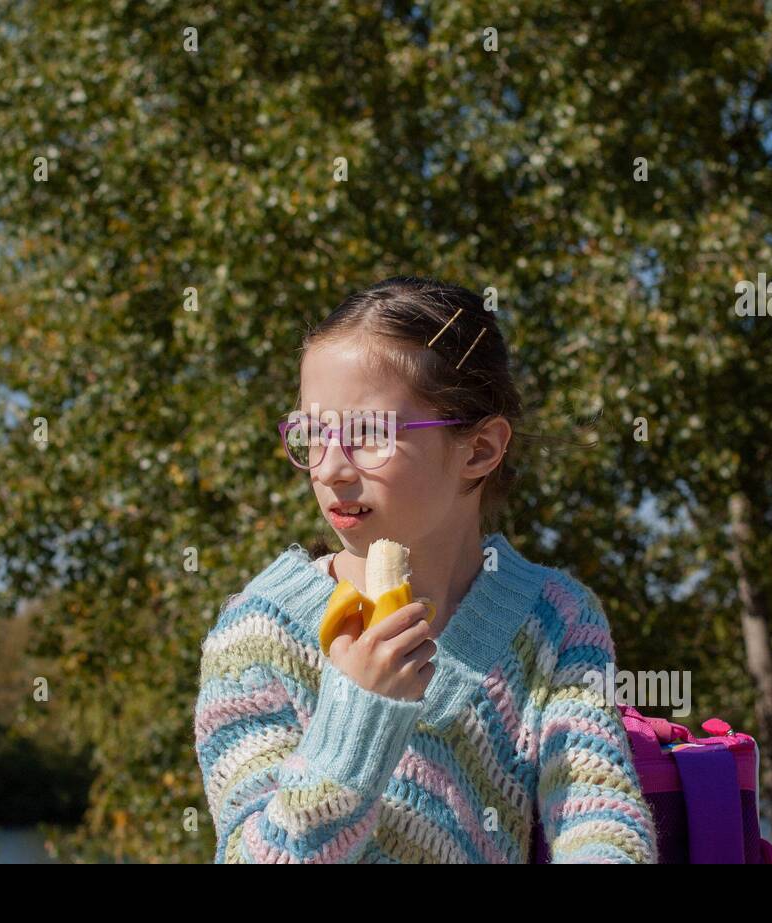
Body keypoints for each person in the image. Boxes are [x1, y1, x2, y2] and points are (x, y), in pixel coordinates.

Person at [193, 275, 657, 863]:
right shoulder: (257, 636)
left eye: (368, 434)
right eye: (312, 435)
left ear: (480, 450)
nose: (329, 468)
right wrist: (357, 714)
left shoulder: (555, 620)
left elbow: (601, 823)